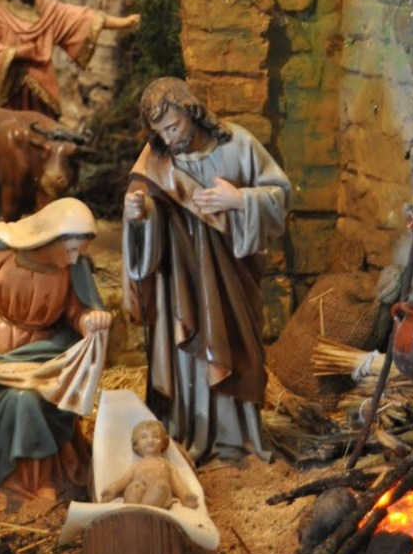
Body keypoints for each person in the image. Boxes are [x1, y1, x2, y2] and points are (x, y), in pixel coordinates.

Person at [122, 76, 291, 464]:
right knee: (189, 354)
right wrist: (139, 214)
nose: (168, 138)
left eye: (173, 126)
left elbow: (281, 195)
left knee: (237, 346)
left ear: (192, 111)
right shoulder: (155, 159)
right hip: (180, 281)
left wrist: (240, 199)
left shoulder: (238, 144)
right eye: (160, 132)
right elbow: (142, 206)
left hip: (232, 276)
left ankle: (239, 438)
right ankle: (190, 430)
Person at [0, 196, 112, 500]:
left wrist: (89, 321)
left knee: (26, 402)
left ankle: (29, 481)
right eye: (70, 250)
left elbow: (77, 311)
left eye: (80, 252)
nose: (74, 259)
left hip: (46, 358)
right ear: (49, 238)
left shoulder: (73, 269)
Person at [0, 0, 141, 119]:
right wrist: (14, 52)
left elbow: (84, 18)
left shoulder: (49, 10)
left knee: (44, 129)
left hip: (43, 88)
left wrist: (123, 22)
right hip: (12, 90)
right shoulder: (0, 14)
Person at [99, 419, 200, 510]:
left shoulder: (166, 465)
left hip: (158, 493)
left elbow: (177, 482)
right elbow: (124, 480)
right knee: (133, 488)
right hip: (137, 495)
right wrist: (112, 489)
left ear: (164, 442)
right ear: (136, 444)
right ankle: (135, 511)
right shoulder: (137, 465)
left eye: (156, 436)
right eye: (144, 437)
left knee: (160, 486)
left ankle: (145, 511)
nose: (150, 440)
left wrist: (186, 495)